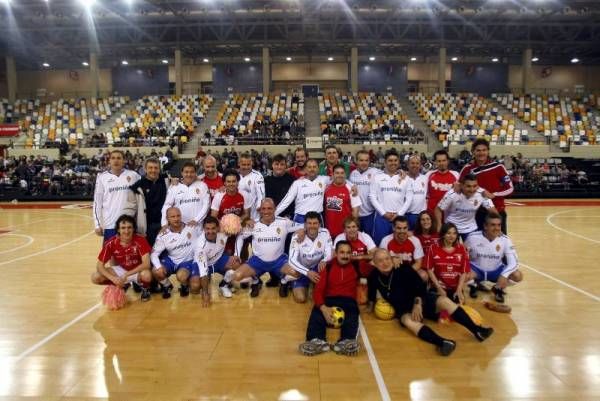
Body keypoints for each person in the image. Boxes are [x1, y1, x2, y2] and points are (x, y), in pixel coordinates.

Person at [367, 249, 493, 356]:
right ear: (374, 263)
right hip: (404, 309)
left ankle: (477, 331)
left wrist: (418, 303)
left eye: (387, 259)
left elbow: (420, 286)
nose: (385, 263)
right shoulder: (373, 276)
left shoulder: (403, 268)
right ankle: (442, 343)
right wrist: (370, 307)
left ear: (392, 258)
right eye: (380, 261)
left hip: (421, 299)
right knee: (407, 321)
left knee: (444, 301)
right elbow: (371, 295)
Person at [222, 198, 302, 298]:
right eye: (263, 209)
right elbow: (240, 236)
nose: (266, 211)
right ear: (260, 210)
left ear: (274, 209)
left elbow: (302, 226)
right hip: (258, 261)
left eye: (269, 208)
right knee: (237, 276)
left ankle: (284, 281)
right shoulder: (253, 224)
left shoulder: (284, 222)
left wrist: (302, 230)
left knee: (297, 273)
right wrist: (236, 255)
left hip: (279, 260)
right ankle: (255, 281)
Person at [298, 241, 360, 357]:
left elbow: (377, 261)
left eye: (348, 253)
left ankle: (346, 341)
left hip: (348, 301)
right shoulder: (327, 267)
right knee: (316, 312)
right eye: (342, 252)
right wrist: (323, 308)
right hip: (329, 300)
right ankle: (317, 341)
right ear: (335, 253)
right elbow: (318, 291)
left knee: (353, 313)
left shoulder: (357, 266)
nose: (345, 256)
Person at [91, 214, 153, 302]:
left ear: (133, 229)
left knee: (147, 275)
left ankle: (145, 289)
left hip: (137, 270)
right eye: (123, 228)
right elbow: (99, 266)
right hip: (121, 270)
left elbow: (146, 264)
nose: (126, 231)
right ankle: (122, 285)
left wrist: (126, 275)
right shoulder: (111, 243)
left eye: (129, 227)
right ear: (118, 230)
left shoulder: (141, 240)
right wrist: (113, 279)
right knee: (95, 277)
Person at [151, 207, 207, 301]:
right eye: (173, 217)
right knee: (156, 270)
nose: (176, 219)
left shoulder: (192, 228)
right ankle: (167, 285)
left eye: (178, 216)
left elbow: (206, 235)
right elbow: (154, 254)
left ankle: (184, 285)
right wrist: (158, 266)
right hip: (171, 261)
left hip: (187, 261)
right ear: (167, 219)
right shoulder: (163, 234)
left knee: (183, 277)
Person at [465, 212, 523, 303]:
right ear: (485, 226)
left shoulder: (505, 240)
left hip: (496, 271)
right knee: (460, 274)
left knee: (517, 275)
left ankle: (497, 288)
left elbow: (514, 263)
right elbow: (461, 255)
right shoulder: (472, 237)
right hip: (476, 270)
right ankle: (473, 285)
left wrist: (504, 275)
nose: (496, 228)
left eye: (499, 225)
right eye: (493, 225)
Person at [459, 138, 514, 233]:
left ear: (488, 151)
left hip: (497, 212)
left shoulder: (498, 167)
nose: (481, 153)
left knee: (499, 243)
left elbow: (510, 188)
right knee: (477, 244)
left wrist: (494, 194)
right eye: (478, 150)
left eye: (484, 150)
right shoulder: (467, 169)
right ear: (473, 152)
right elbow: (459, 187)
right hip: (476, 213)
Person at [282, 211, 333, 303]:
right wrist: (307, 272)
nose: (312, 226)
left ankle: (313, 283)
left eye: (315, 223)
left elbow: (330, 251)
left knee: (325, 295)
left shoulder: (325, 232)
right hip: (302, 269)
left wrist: (325, 260)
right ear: (305, 225)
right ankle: (290, 280)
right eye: (309, 223)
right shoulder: (297, 236)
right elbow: (292, 260)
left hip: (317, 268)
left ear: (320, 224)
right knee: (300, 299)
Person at [93, 150, 140, 242]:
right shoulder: (102, 178)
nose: (116, 161)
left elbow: (148, 181)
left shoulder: (133, 175)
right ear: (109, 161)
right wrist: (97, 224)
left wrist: (171, 180)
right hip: (111, 225)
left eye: (119, 158)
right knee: (110, 256)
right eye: (113, 158)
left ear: (124, 161)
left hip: (129, 225)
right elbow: (97, 203)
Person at [435, 174, 497, 241]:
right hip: (452, 227)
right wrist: (439, 224)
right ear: (461, 185)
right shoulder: (452, 194)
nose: (472, 189)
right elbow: (438, 209)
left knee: (472, 250)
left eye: (474, 186)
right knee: (452, 250)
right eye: (468, 186)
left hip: (470, 227)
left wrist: (496, 227)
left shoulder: (482, 194)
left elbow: (493, 212)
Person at [369, 149, 412, 245]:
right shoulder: (377, 177)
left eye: (395, 160)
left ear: (399, 162)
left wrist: (400, 214)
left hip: (399, 218)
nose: (393, 163)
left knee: (399, 245)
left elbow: (409, 198)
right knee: (380, 245)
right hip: (382, 218)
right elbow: (372, 196)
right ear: (385, 162)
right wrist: (383, 213)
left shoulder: (406, 178)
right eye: (390, 160)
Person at [424, 223, 470, 304]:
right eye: (448, 233)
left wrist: (459, 289)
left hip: (455, 288)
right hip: (438, 287)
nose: (452, 236)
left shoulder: (461, 249)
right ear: (443, 234)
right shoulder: (433, 248)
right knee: (442, 310)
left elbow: (464, 271)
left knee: (458, 311)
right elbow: (429, 269)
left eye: (454, 233)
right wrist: (439, 288)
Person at [275, 159, 330, 224]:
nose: (312, 169)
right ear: (306, 169)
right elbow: (287, 200)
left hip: (317, 218)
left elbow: (341, 180)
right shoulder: (298, 183)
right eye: (309, 167)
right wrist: (274, 214)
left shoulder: (325, 179)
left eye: (314, 167)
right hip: (300, 217)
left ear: (318, 168)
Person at [129, 158, 168, 247]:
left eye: (156, 168)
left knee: (163, 252)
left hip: (163, 224)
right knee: (149, 252)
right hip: (147, 226)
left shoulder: (165, 180)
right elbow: (131, 208)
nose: (153, 170)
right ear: (145, 169)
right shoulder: (137, 186)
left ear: (159, 169)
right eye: (150, 168)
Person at [201, 216, 242, 298]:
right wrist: (205, 294)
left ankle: (224, 285)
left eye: (213, 228)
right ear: (204, 229)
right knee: (196, 286)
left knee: (236, 264)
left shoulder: (224, 234)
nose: (210, 231)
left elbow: (240, 233)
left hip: (218, 261)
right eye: (208, 229)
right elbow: (202, 268)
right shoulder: (200, 244)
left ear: (218, 228)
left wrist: (237, 254)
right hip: (205, 265)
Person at [161, 162, 210, 227]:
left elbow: (206, 205)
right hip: (179, 227)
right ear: (182, 173)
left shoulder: (202, 185)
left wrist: (196, 220)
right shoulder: (174, 187)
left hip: (198, 226)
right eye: (186, 172)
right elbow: (167, 206)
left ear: (196, 173)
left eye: (192, 172)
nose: (189, 174)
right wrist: (164, 223)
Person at [323, 164, 362, 239]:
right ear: (332, 174)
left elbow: (355, 212)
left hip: (345, 232)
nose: (339, 175)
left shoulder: (351, 189)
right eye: (337, 173)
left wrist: (351, 230)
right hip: (329, 231)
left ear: (345, 174)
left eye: (342, 173)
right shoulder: (326, 188)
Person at [348, 150, 380, 236]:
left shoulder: (375, 172)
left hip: (369, 214)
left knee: (369, 238)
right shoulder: (353, 174)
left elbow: (389, 173)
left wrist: (400, 171)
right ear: (356, 161)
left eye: (366, 160)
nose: (364, 163)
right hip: (355, 215)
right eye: (361, 160)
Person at [426, 149, 459, 214]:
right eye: (439, 161)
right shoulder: (429, 174)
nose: (442, 163)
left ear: (448, 161)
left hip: (450, 214)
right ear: (435, 162)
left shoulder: (456, 175)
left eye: (444, 160)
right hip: (432, 213)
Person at [264, 153, 295, 218]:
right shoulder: (266, 181)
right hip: (271, 216)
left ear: (286, 166)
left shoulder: (292, 180)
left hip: (288, 217)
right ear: (272, 165)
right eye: (276, 164)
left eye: (282, 164)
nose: (279, 167)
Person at [238, 152, 265, 220]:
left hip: (254, 217)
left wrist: (260, 207)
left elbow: (261, 195)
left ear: (252, 164)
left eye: (248, 164)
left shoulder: (257, 176)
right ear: (239, 164)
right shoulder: (235, 175)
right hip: (238, 216)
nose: (246, 167)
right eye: (244, 164)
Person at [405, 155, 428, 230]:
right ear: (407, 165)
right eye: (412, 163)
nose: (415, 165)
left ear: (421, 165)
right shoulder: (402, 178)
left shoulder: (425, 179)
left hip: (420, 216)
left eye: (417, 163)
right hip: (405, 215)